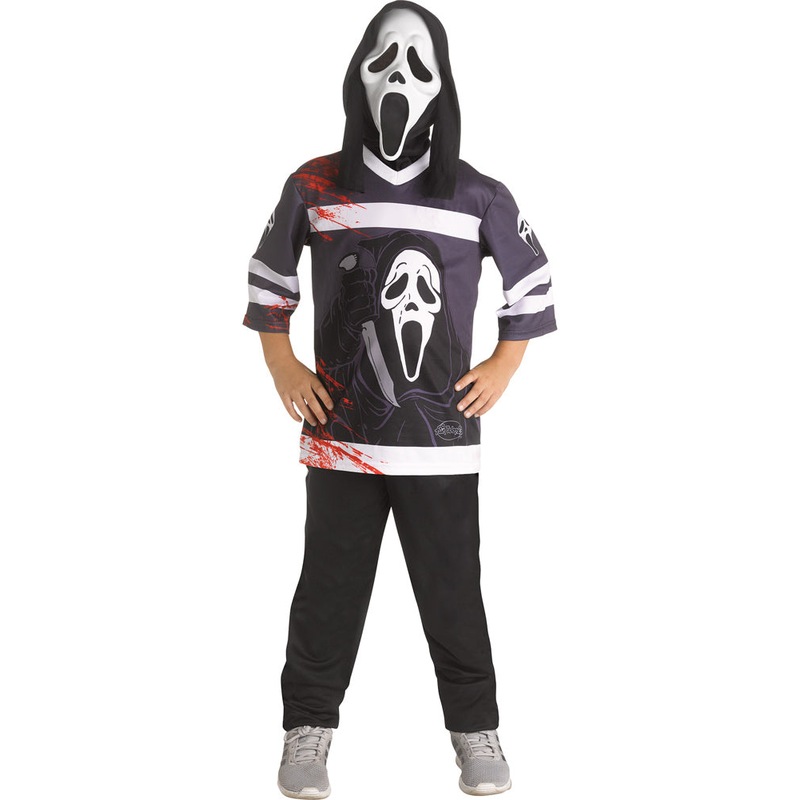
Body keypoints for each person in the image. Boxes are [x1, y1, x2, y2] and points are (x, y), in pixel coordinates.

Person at [242, 2, 556, 796]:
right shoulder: (315, 185)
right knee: (328, 593)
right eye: (383, 57)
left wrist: (504, 364)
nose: (399, 76)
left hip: (441, 443)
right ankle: (307, 730)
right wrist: (282, 366)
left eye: (419, 62)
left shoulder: (475, 194)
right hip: (341, 437)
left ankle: (475, 730)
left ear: (443, 83)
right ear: (358, 73)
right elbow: (269, 279)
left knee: (454, 595)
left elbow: (532, 282)